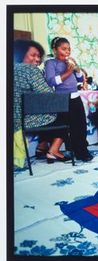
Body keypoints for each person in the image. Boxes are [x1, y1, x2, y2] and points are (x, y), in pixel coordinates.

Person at [13, 39, 70, 167]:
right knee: (63, 112)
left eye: (39, 56)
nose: (37, 59)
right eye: (33, 55)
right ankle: (54, 150)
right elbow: (47, 94)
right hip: (24, 119)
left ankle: (42, 145)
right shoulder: (30, 70)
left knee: (48, 112)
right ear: (20, 54)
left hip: (13, 117)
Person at [44, 36, 93, 162]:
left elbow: (79, 79)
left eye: (69, 49)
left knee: (81, 126)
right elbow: (51, 82)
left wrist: (76, 69)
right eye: (64, 49)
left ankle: (82, 151)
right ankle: (71, 149)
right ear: (55, 50)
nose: (67, 52)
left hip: (75, 97)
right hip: (62, 100)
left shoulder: (69, 62)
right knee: (68, 127)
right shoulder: (50, 63)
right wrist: (67, 71)